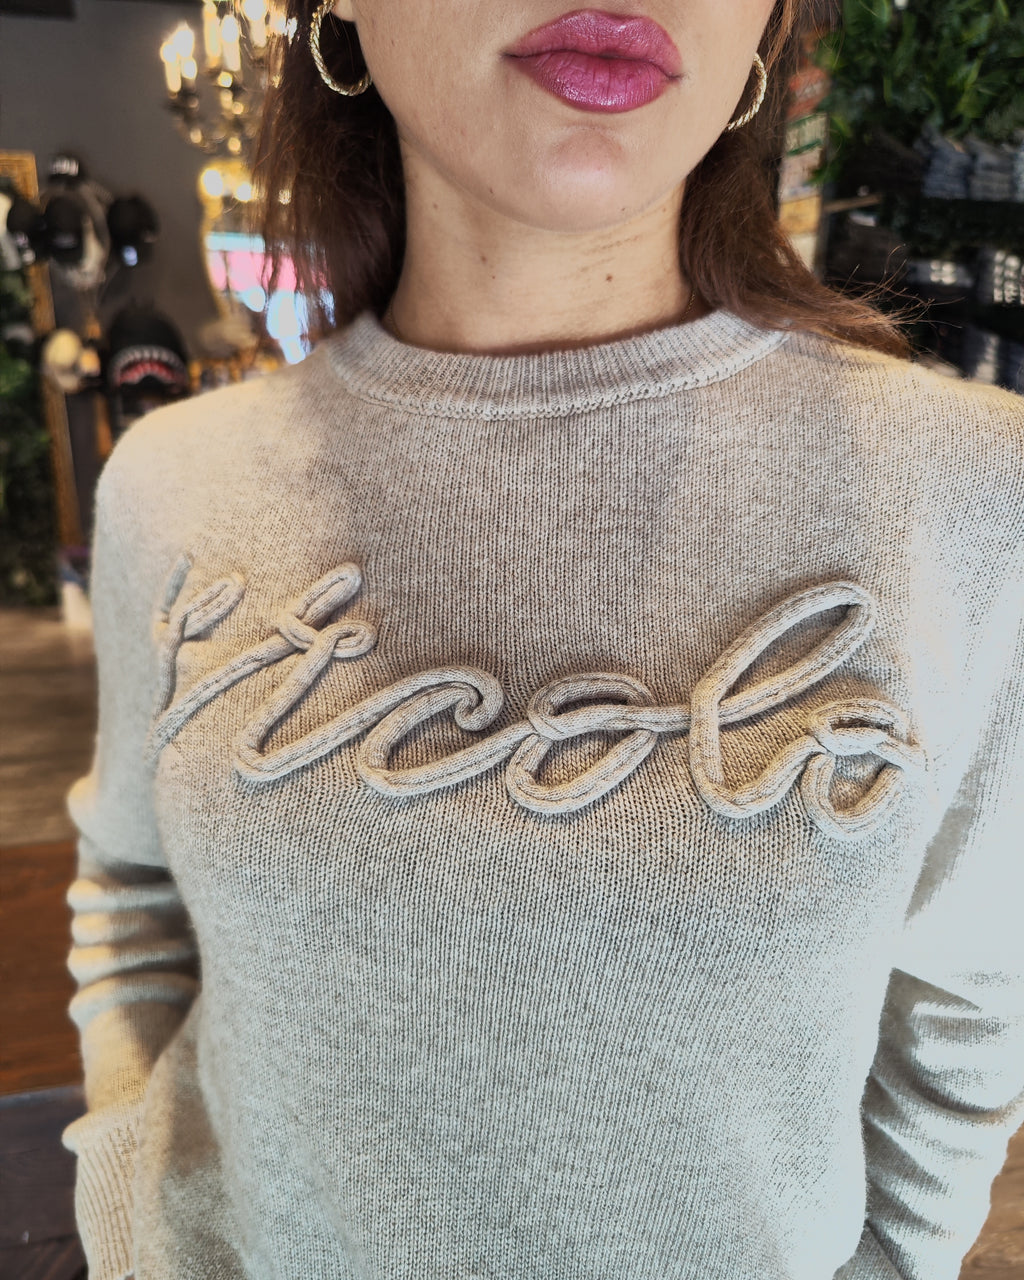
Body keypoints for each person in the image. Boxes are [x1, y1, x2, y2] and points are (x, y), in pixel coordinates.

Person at [61, 1, 1024, 1278]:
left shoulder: (966, 494)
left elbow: (970, 993)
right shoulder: (173, 485)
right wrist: (130, 1221)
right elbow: (132, 895)